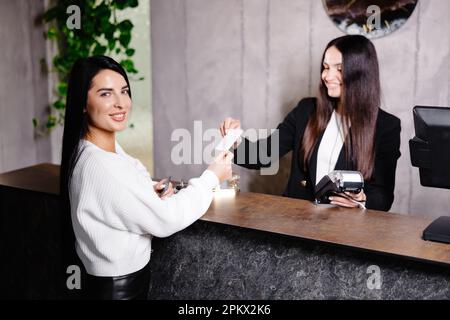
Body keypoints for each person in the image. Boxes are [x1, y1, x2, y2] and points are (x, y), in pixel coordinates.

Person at [60, 56, 233, 300]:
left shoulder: (92, 152)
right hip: (118, 290)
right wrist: (212, 177)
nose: (121, 103)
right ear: (83, 103)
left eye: (124, 91)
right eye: (106, 94)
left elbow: (117, 193)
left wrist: (147, 190)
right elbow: (166, 219)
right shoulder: (101, 165)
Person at [220, 35, 401, 211]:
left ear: (360, 73)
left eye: (339, 69)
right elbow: (263, 155)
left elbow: (383, 197)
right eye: (325, 67)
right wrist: (235, 140)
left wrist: (362, 199)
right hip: (295, 223)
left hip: (345, 231)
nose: (327, 76)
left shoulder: (387, 126)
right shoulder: (305, 111)